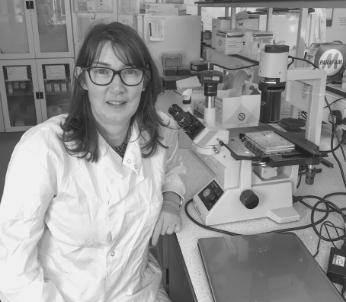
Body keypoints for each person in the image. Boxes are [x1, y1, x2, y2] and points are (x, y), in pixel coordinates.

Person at [0, 22, 186, 302]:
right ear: (83, 79)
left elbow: (171, 169)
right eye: (102, 72)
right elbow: (12, 263)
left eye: (130, 72)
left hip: (138, 292)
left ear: (145, 80)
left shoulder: (162, 130)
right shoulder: (42, 150)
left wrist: (171, 201)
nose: (117, 87)